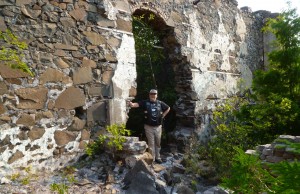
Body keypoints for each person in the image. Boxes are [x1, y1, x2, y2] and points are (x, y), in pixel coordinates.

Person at [128, 89, 170, 164]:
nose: (153, 95)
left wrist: (163, 115)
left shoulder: (160, 103)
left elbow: (168, 108)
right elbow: (136, 104)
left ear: (156, 95)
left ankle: (158, 157)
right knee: (151, 143)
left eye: (154, 94)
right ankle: (152, 159)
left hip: (158, 127)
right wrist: (131, 104)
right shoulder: (145, 102)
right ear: (149, 95)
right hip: (148, 127)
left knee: (158, 143)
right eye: (151, 94)